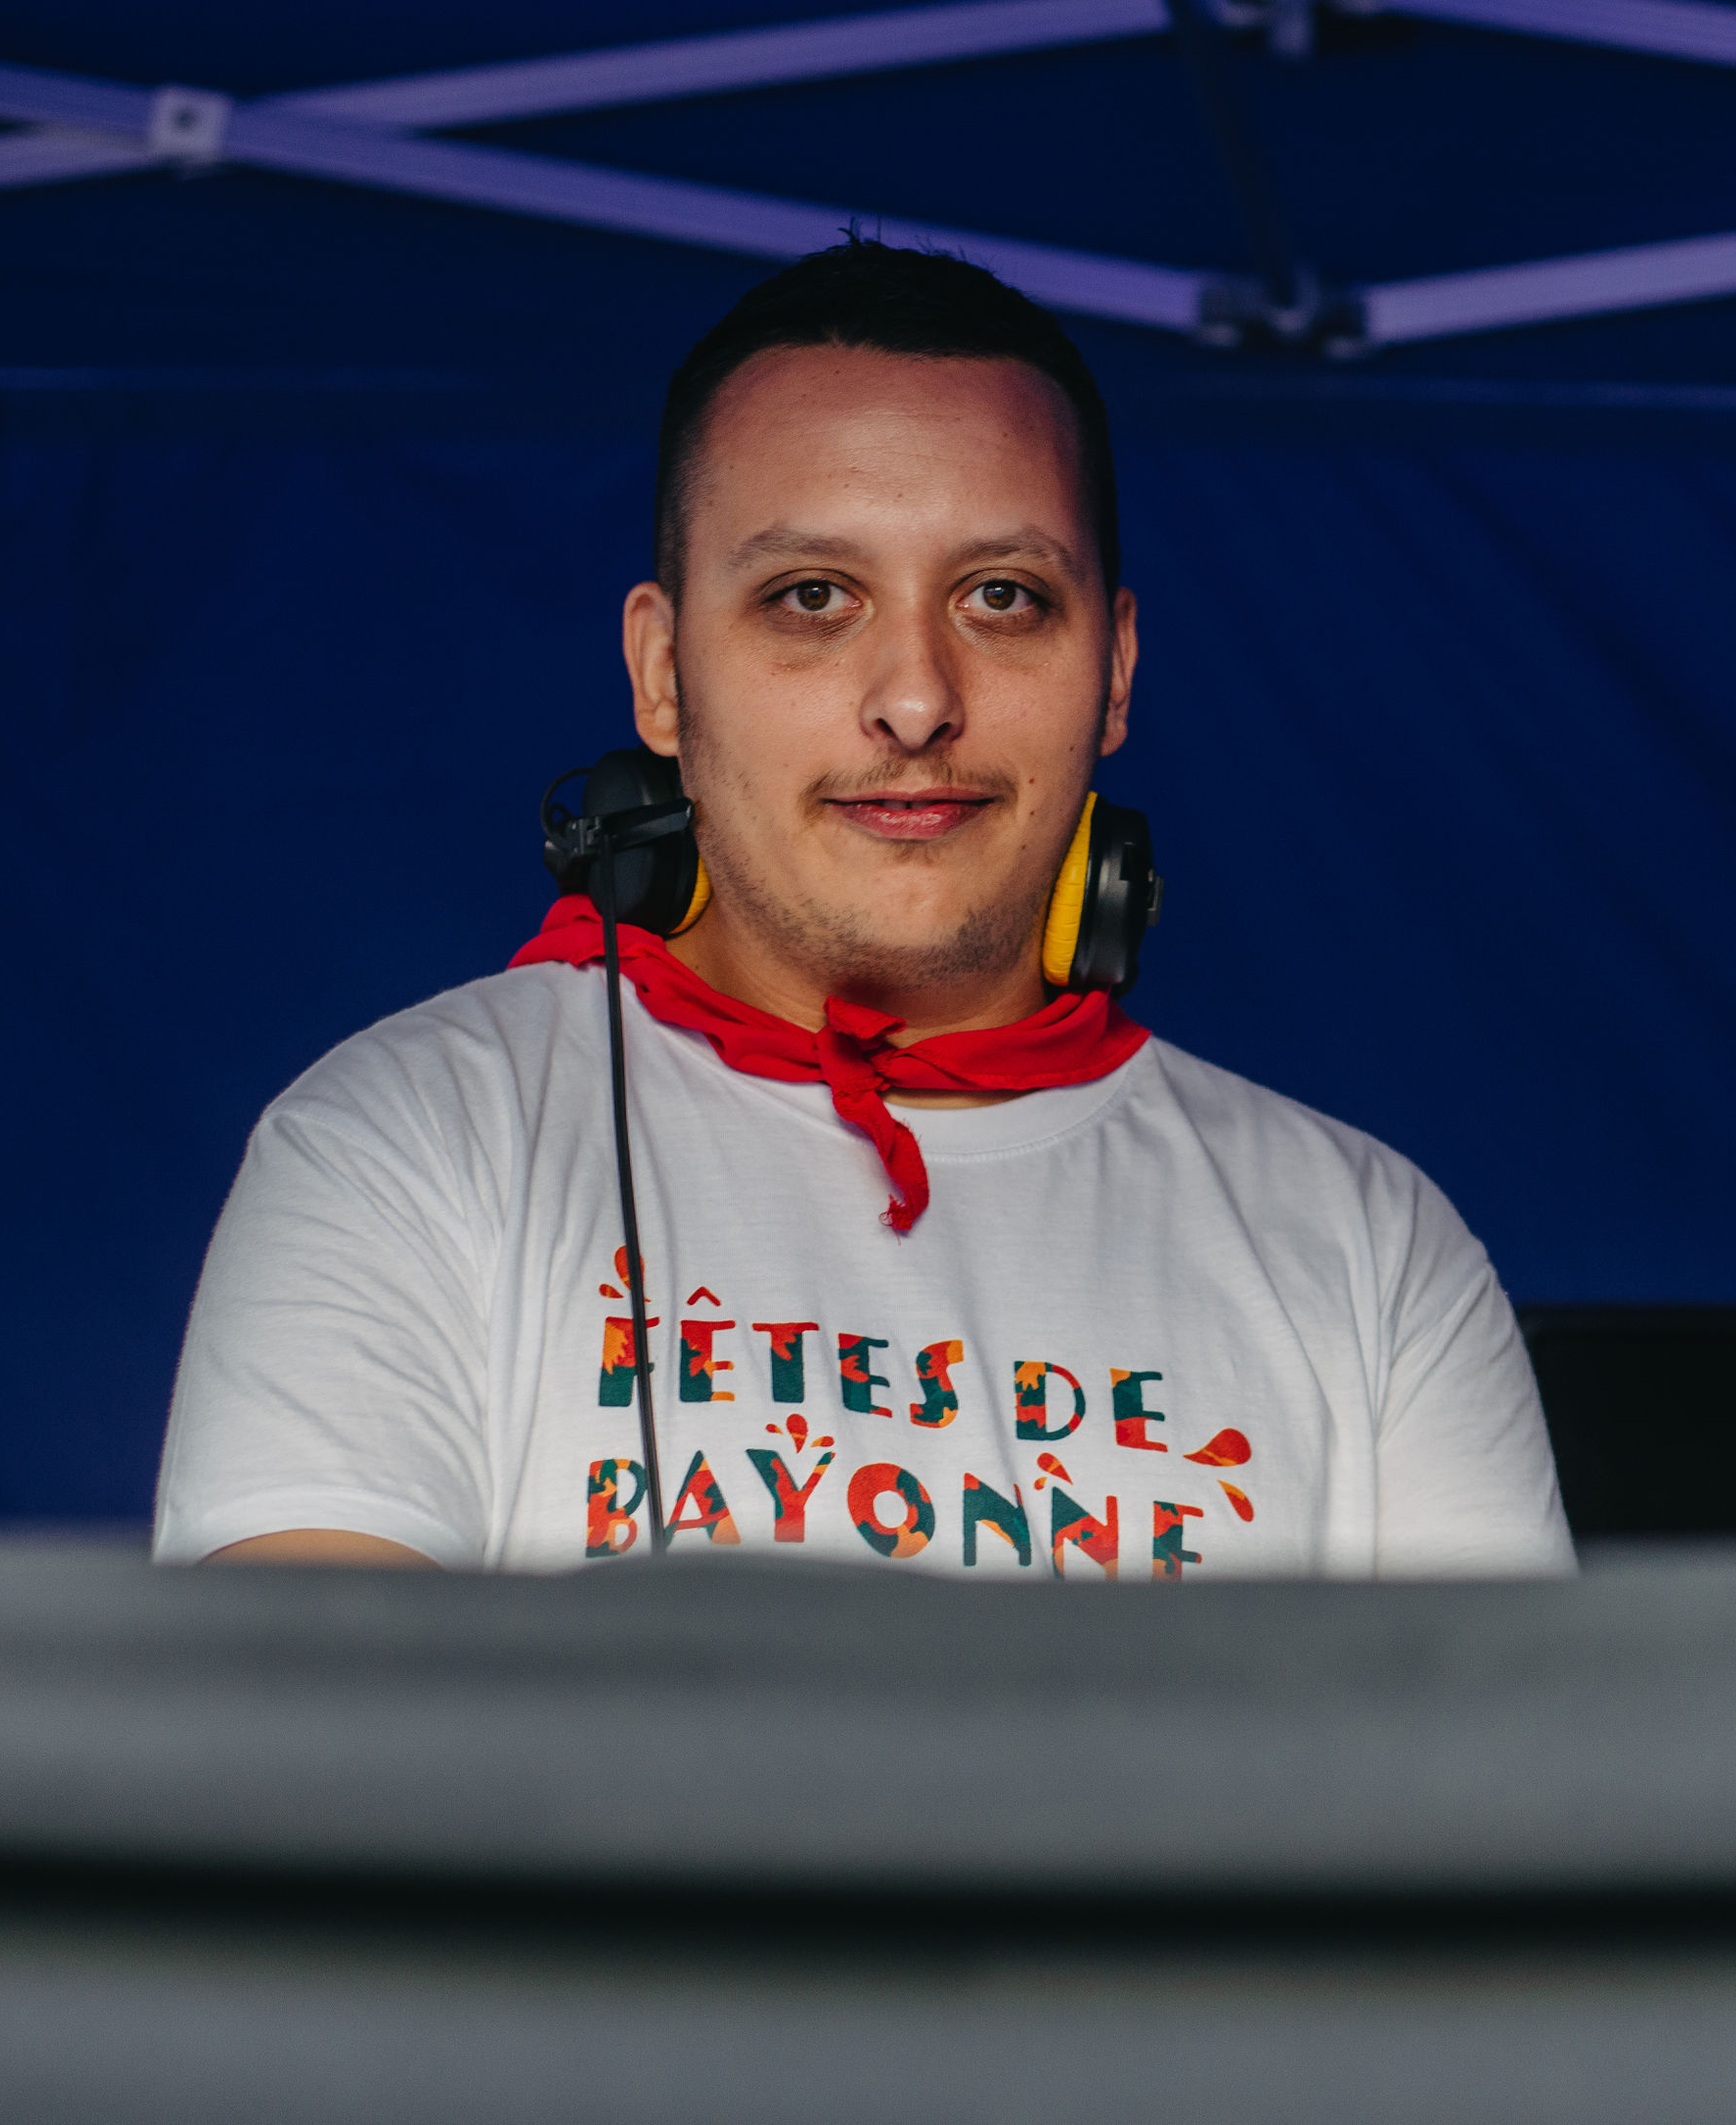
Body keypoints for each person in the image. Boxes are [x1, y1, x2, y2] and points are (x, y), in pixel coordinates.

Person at [151, 241, 1573, 1580]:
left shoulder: (1370, 1247)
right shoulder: (412, 1142)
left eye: (1003, 596)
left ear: (1117, 672)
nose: (915, 699)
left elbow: (1509, 1766)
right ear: (661, 675)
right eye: (812, 596)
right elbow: (306, 1746)